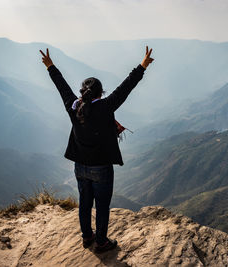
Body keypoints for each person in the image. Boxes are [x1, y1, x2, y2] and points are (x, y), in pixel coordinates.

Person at [39, 46, 154, 253]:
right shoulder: (107, 106)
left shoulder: (73, 107)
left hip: (80, 166)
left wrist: (50, 66)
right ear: (100, 93)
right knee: (101, 207)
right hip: (101, 168)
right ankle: (101, 242)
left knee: (84, 202)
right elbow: (126, 87)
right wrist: (143, 65)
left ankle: (87, 237)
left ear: (83, 93)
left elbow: (62, 87)